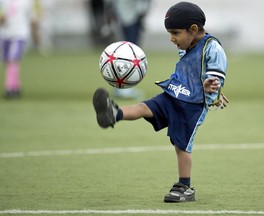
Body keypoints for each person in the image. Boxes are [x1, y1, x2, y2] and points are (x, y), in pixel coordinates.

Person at [93, 1, 229, 202]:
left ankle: (185, 187)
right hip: (173, 93)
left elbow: (215, 74)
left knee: (181, 146)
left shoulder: (213, 47)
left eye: (175, 33)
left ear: (193, 30)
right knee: (144, 107)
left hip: (191, 106)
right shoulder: (187, 44)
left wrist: (212, 87)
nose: (172, 39)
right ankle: (114, 114)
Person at [0, 0, 38, 99]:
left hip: (20, 33)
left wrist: (35, 32)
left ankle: (9, 88)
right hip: (4, 34)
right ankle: (16, 86)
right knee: (7, 61)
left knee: (13, 59)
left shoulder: (26, 1)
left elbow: (32, 16)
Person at [107, 0, 151, 99]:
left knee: (132, 51)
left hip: (135, 12)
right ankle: (123, 88)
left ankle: (123, 87)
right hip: (126, 13)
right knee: (128, 52)